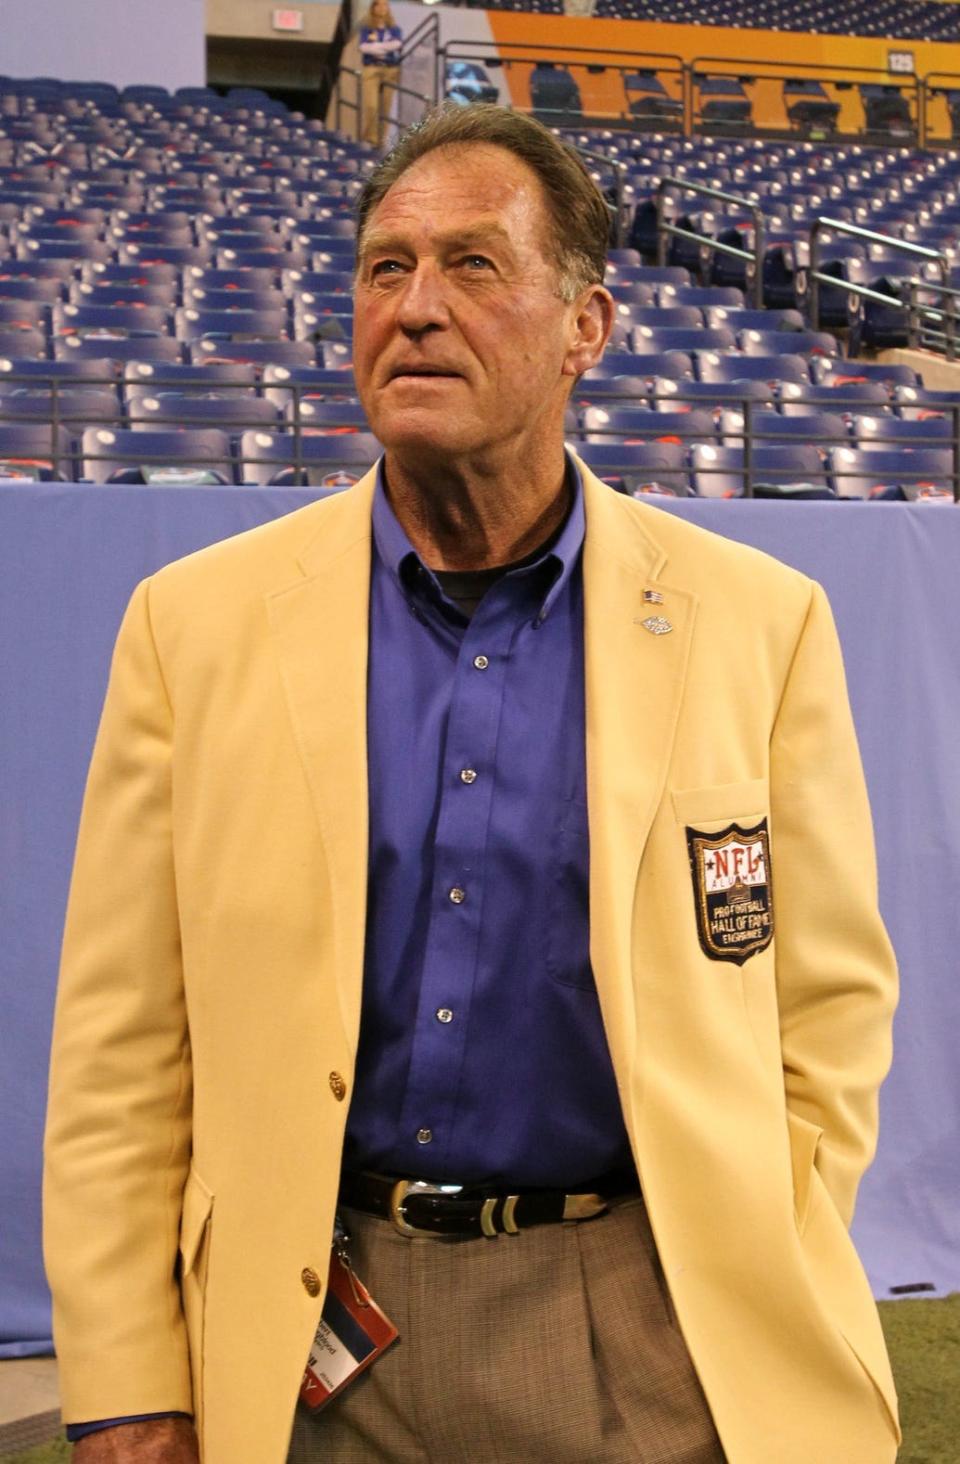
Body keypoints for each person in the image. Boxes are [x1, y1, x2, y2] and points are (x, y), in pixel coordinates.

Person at [44, 104, 901, 1464]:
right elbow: (121, 1051)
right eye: (386, 268)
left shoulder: (759, 623)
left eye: (472, 266)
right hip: (315, 1323)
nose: (417, 307)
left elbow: (831, 1007)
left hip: (636, 1307)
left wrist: (758, 1228)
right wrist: (131, 1385)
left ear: (587, 329)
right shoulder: (193, 626)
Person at [358, 0, 402, 148]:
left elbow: (397, 45)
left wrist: (376, 47)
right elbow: (364, 48)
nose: (383, 8)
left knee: (385, 107)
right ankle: (371, 138)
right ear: (373, 8)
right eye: (379, 4)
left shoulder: (394, 28)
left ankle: (381, 140)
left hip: (390, 69)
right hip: (371, 68)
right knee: (371, 105)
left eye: (386, 5)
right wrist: (385, 48)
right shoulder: (367, 28)